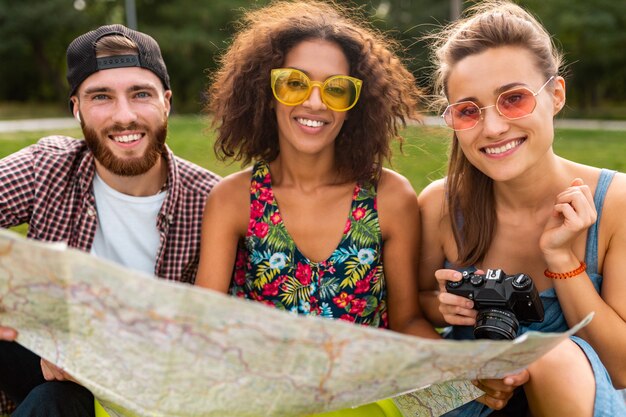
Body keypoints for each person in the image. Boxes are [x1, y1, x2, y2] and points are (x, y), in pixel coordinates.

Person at [196, 0, 525, 412]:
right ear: (267, 91)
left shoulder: (389, 197)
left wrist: (470, 374)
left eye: (336, 88)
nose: (315, 102)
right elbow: (206, 328)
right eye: (294, 83)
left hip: (369, 399)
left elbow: (405, 322)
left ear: (357, 102)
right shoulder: (233, 200)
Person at [417, 1, 626, 416]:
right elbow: (414, 307)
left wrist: (562, 258)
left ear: (557, 95)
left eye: (513, 99)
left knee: (553, 356)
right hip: (470, 395)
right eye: (468, 111)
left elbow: (621, 368)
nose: (493, 128)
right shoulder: (440, 205)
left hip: (582, 400)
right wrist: (443, 307)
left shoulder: (616, 203)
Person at [0, 24, 220, 417]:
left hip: (153, 396)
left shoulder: (212, 201)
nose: (125, 116)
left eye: (140, 94)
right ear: (76, 108)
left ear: (165, 102)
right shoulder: (47, 167)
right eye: (101, 96)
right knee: (57, 399)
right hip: (51, 378)